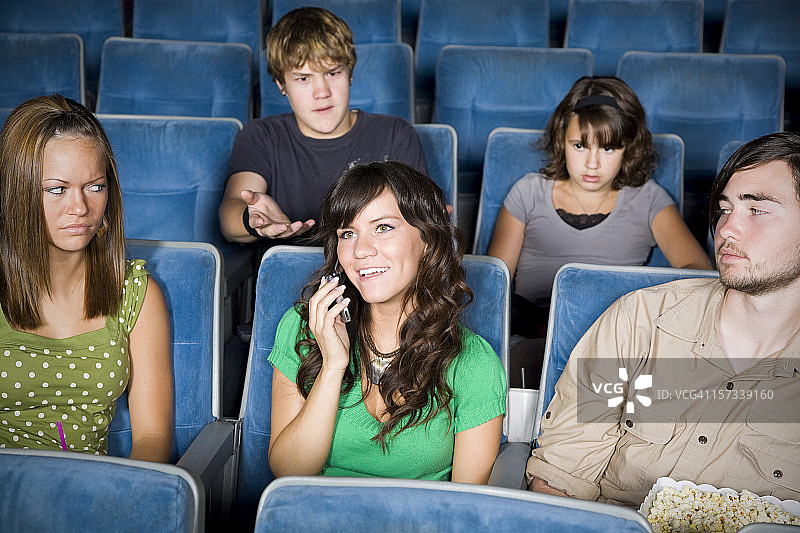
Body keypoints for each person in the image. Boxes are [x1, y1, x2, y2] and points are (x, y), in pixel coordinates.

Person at [526, 131, 800, 505]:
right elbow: (561, 479)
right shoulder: (637, 321)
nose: (726, 230)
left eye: (756, 210)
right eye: (724, 209)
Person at [268, 161, 506, 482]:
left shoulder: (474, 363)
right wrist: (333, 366)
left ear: (427, 240)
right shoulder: (304, 327)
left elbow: (464, 509)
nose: (361, 251)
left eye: (383, 227)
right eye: (348, 234)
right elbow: (287, 471)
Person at [487, 76, 711, 388]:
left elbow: (700, 275)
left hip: (615, 334)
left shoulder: (648, 199)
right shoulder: (528, 192)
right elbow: (494, 284)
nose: (592, 163)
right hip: (534, 330)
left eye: (608, 148)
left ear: (628, 148)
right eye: (579, 146)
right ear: (561, 140)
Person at [0, 95, 173, 461]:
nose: (80, 207)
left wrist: (121, 503)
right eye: (57, 189)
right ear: (18, 192)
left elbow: (153, 439)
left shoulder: (136, 292)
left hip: (88, 495)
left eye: (95, 186)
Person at [219, 7, 427, 245]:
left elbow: (416, 227)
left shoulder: (395, 134)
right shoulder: (261, 135)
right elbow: (231, 213)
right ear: (280, 84)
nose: (322, 93)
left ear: (350, 73)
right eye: (303, 78)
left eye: (332, 73)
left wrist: (424, 219)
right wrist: (253, 221)